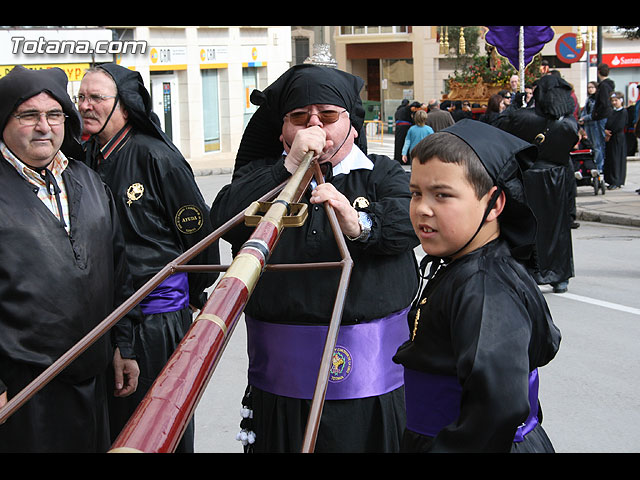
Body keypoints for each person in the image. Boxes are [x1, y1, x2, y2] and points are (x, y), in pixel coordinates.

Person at [210, 64, 419, 453]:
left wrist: (359, 222)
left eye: (327, 115)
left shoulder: (381, 174)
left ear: (352, 127)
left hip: (371, 390)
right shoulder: (264, 176)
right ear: (282, 131)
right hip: (281, 388)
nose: (314, 126)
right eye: (299, 118)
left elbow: (414, 220)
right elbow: (222, 221)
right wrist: (288, 169)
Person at [393, 119, 562, 453]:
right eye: (416, 193)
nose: (423, 208)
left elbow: (498, 406)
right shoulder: (463, 266)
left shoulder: (485, 287)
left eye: (442, 195)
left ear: (494, 203)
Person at [79, 63, 220, 452]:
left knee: (157, 427)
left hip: (156, 320)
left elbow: (200, 239)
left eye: (96, 98)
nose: (85, 106)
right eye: (82, 97)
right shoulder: (87, 156)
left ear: (125, 104)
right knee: (117, 431)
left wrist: (190, 293)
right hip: (108, 322)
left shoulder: (157, 158)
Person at [0, 66, 140, 452]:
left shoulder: (89, 182)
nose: (44, 126)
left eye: (54, 115)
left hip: (92, 381)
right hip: (24, 392)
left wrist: (122, 346)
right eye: (29, 115)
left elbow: (118, 273)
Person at [494, 74, 579, 293]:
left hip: (530, 177)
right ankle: (559, 276)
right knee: (557, 229)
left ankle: (532, 271)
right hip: (559, 179)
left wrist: (514, 106)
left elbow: (500, 127)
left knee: (529, 225)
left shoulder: (525, 118)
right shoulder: (570, 123)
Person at [579, 64, 615, 172]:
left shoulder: (603, 87)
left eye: (592, 87)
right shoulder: (607, 86)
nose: (590, 89)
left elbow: (603, 103)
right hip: (595, 119)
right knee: (596, 145)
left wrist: (594, 115)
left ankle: (599, 168)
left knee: (598, 145)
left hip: (597, 119)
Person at [604, 91, 628, 189]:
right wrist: (605, 131)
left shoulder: (623, 112)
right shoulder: (612, 112)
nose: (614, 102)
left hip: (617, 137)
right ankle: (610, 179)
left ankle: (616, 180)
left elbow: (619, 125)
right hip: (610, 138)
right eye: (612, 101)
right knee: (611, 159)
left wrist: (610, 132)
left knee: (617, 159)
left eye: (616, 100)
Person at [394, 99, 413, 163]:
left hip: (398, 128)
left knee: (398, 143)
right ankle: (405, 159)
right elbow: (410, 119)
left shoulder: (398, 110)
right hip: (406, 128)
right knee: (406, 142)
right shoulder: (407, 109)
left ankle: (398, 158)